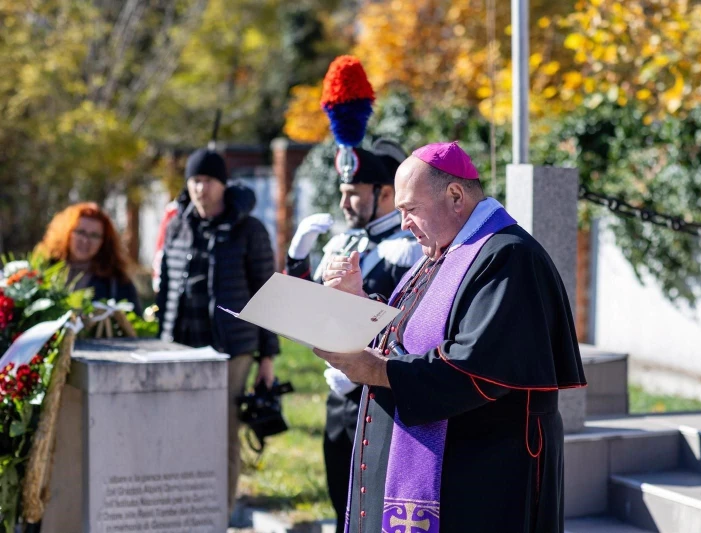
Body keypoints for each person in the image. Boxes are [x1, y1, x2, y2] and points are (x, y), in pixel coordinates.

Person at [314, 142, 587, 533]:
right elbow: (406, 336)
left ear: (455, 196)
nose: (404, 223)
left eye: (410, 209)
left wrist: (376, 371)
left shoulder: (508, 257)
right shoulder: (444, 253)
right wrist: (356, 302)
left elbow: (476, 366)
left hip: (481, 477)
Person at [285, 138, 422, 533]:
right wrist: (297, 261)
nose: (344, 203)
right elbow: (307, 311)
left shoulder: (408, 249)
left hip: (377, 388)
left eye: (353, 193)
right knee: (338, 496)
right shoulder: (343, 241)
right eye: (342, 193)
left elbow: (407, 324)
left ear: (383, 194)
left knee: (373, 503)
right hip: (338, 392)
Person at [156, 147, 280, 514]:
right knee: (178, 428)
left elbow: (266, 292)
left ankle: (219, 514)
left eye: (208, 180)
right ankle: (182, 509)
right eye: (194, 180)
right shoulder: (178, 224)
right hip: (179, 344)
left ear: (223, 184)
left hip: (232, 348)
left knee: (222, 431)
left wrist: (267, 358)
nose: (200, 188)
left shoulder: (248, 227)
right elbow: (165, 285)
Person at [35, 202, 141, 314]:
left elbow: (135, 326)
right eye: (81, 232)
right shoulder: (43, 271)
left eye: (94, 235)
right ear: (68, 232)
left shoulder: (117, 282)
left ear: (104, 241)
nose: (85, 241)